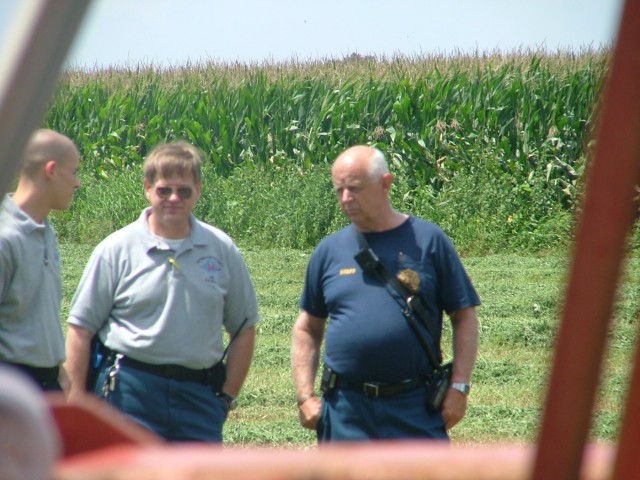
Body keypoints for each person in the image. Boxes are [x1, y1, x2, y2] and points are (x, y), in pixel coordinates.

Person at [64, 141, 259, 442]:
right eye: (164, 190)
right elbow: (80, 328)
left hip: (200, 399)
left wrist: (226, 397)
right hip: (129, 392)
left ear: (199, 189)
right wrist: (76, 399)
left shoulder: (221, 250)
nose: (173, 199)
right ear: (147, 188)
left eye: (184, 191)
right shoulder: (116, 249)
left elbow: (245, 327)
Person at [291, 145, 480, 441]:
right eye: (339, 190)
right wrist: (305, 397)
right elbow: (308, 327)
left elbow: (464, 316)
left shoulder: (429, 241)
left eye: (354, 189)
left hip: (415, 408)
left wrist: (459, 387)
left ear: (386, 183)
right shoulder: (328, 251)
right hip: (345, 410)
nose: (345, 199)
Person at [0, 129, 81, 392]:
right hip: (14, 384)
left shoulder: (45, 231)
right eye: (74, 172)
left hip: (46, 382)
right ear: (51, 170)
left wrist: (58, 369)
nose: (77, 183)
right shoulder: (6, 237)